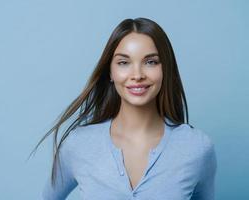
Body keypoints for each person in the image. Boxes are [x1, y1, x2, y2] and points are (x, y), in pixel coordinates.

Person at [30, 17, 217, 200]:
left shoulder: (197, 148)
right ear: (110, 72)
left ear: (165, 69)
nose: (137, 75)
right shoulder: (79, 145)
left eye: (151, 62)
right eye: (123, 62)